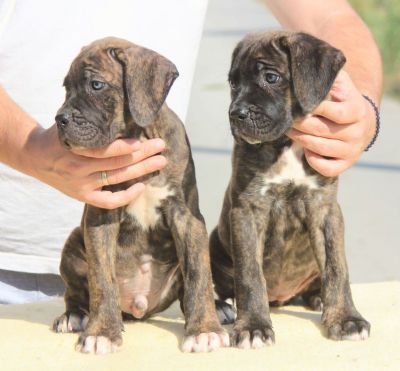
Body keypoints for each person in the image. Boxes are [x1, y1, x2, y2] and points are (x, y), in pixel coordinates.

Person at [0, 0, 382, 303]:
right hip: (11, 267)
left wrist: (362, 109)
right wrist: (28, 148)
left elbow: (327, 12)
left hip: (172, 284)